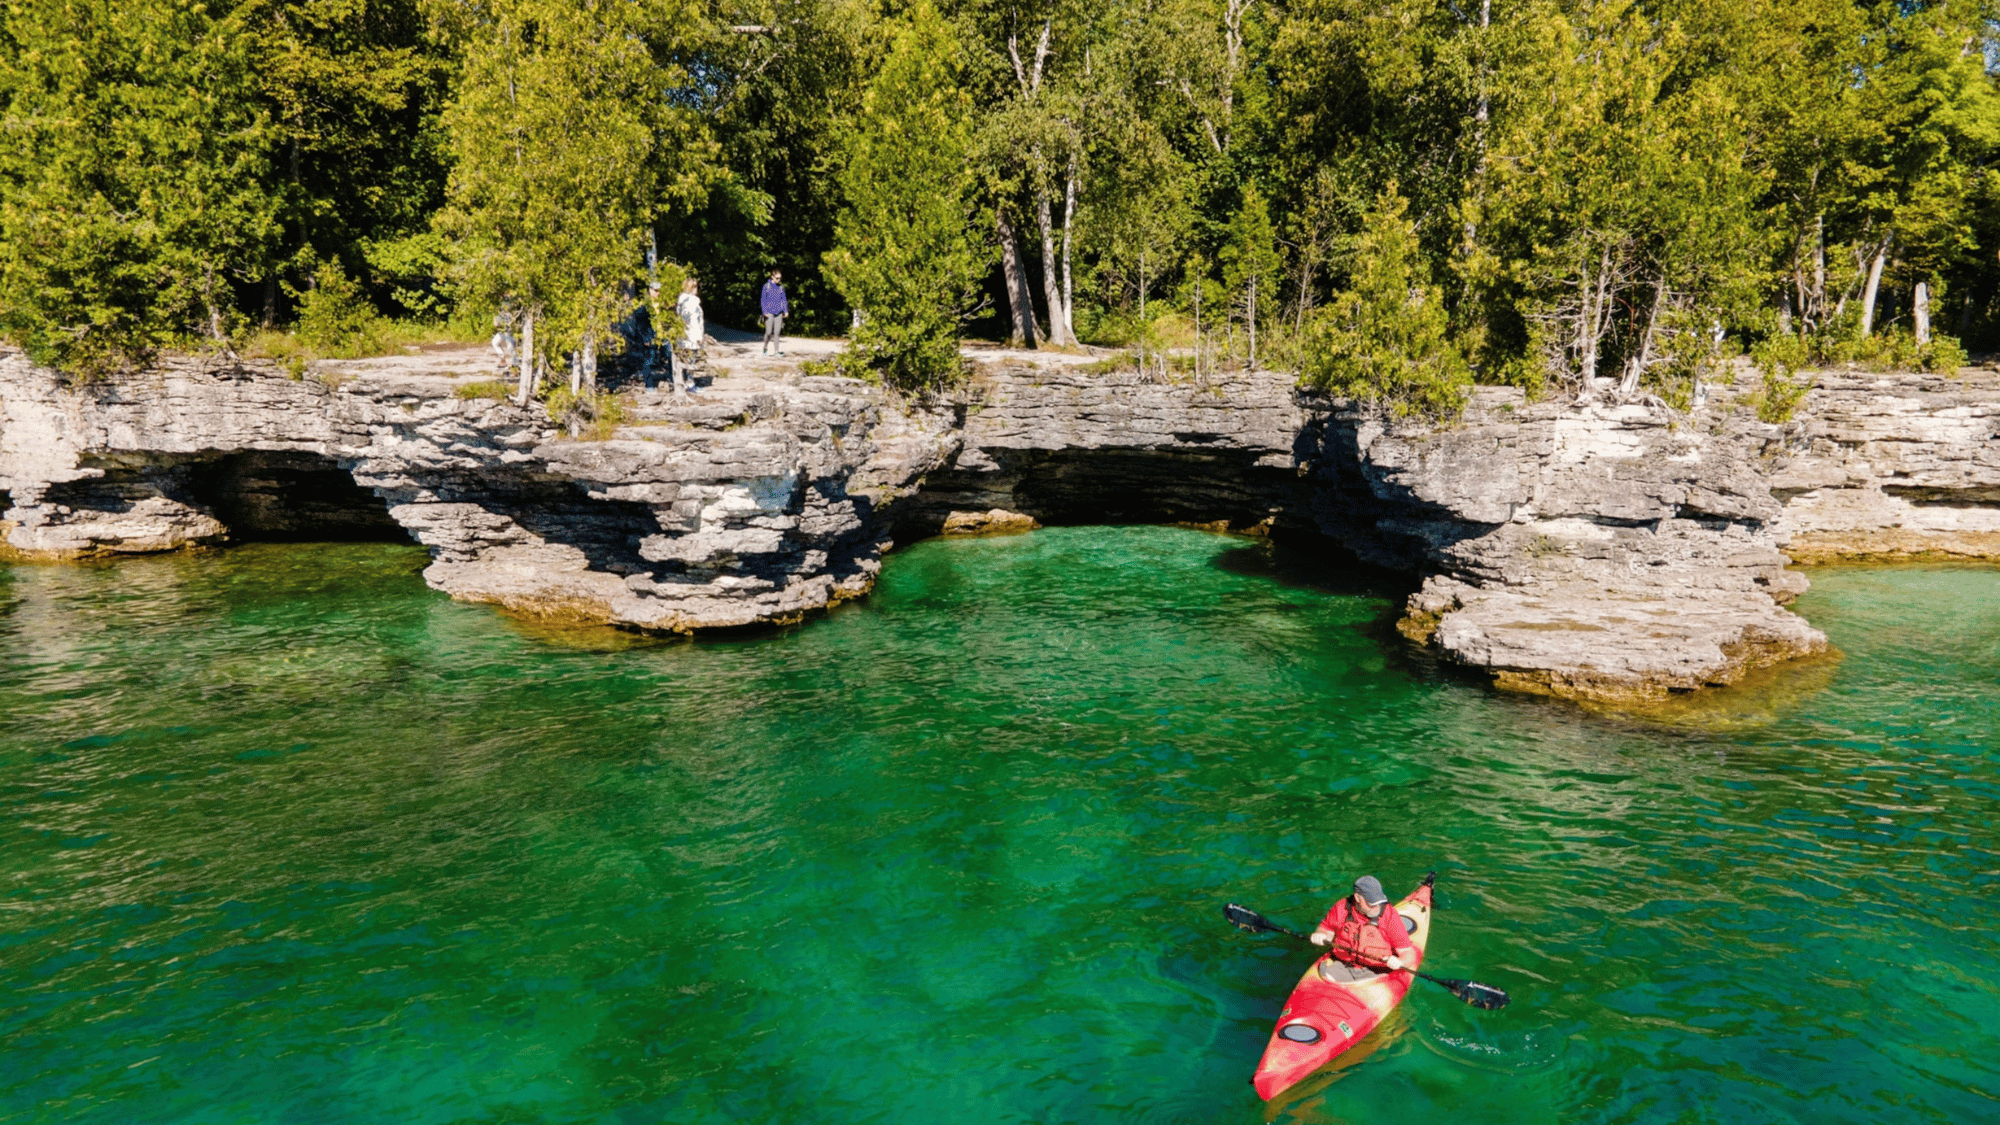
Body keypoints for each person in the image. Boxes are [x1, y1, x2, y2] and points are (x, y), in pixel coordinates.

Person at [1309, 875, 1415, 983]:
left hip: (1378, 972)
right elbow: (1325, 929)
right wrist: (1320, 934)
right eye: (1371, 903)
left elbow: (1408, 953)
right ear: (1358, 898)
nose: (1376, 907)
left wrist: (1400, 961)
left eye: (1379, 902)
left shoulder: (1390, 916)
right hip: (1342, 966)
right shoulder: (1341, 908)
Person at [674, 278, 704, 395]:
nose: (697, 289)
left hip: (682, 336)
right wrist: (699, 337)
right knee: (691, 361)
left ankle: (683, 382)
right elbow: (693, 321)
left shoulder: (681, 301)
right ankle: (690, 384)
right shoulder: (692, 302)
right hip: (691, 336)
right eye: (695, 287)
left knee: (683, 360)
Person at [760, 269, 789, 355]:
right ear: (772, 277)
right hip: (769, 312)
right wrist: (764, 311)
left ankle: (776, 351)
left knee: (777, 333)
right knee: (768, 332)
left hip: (779, 313)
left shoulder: (781, 287)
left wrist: (785, 311)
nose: (778, 280)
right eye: (777, 278)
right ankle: (765, 347)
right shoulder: (766, 286)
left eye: (780, 278)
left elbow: (783, 299)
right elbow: (763, 300)